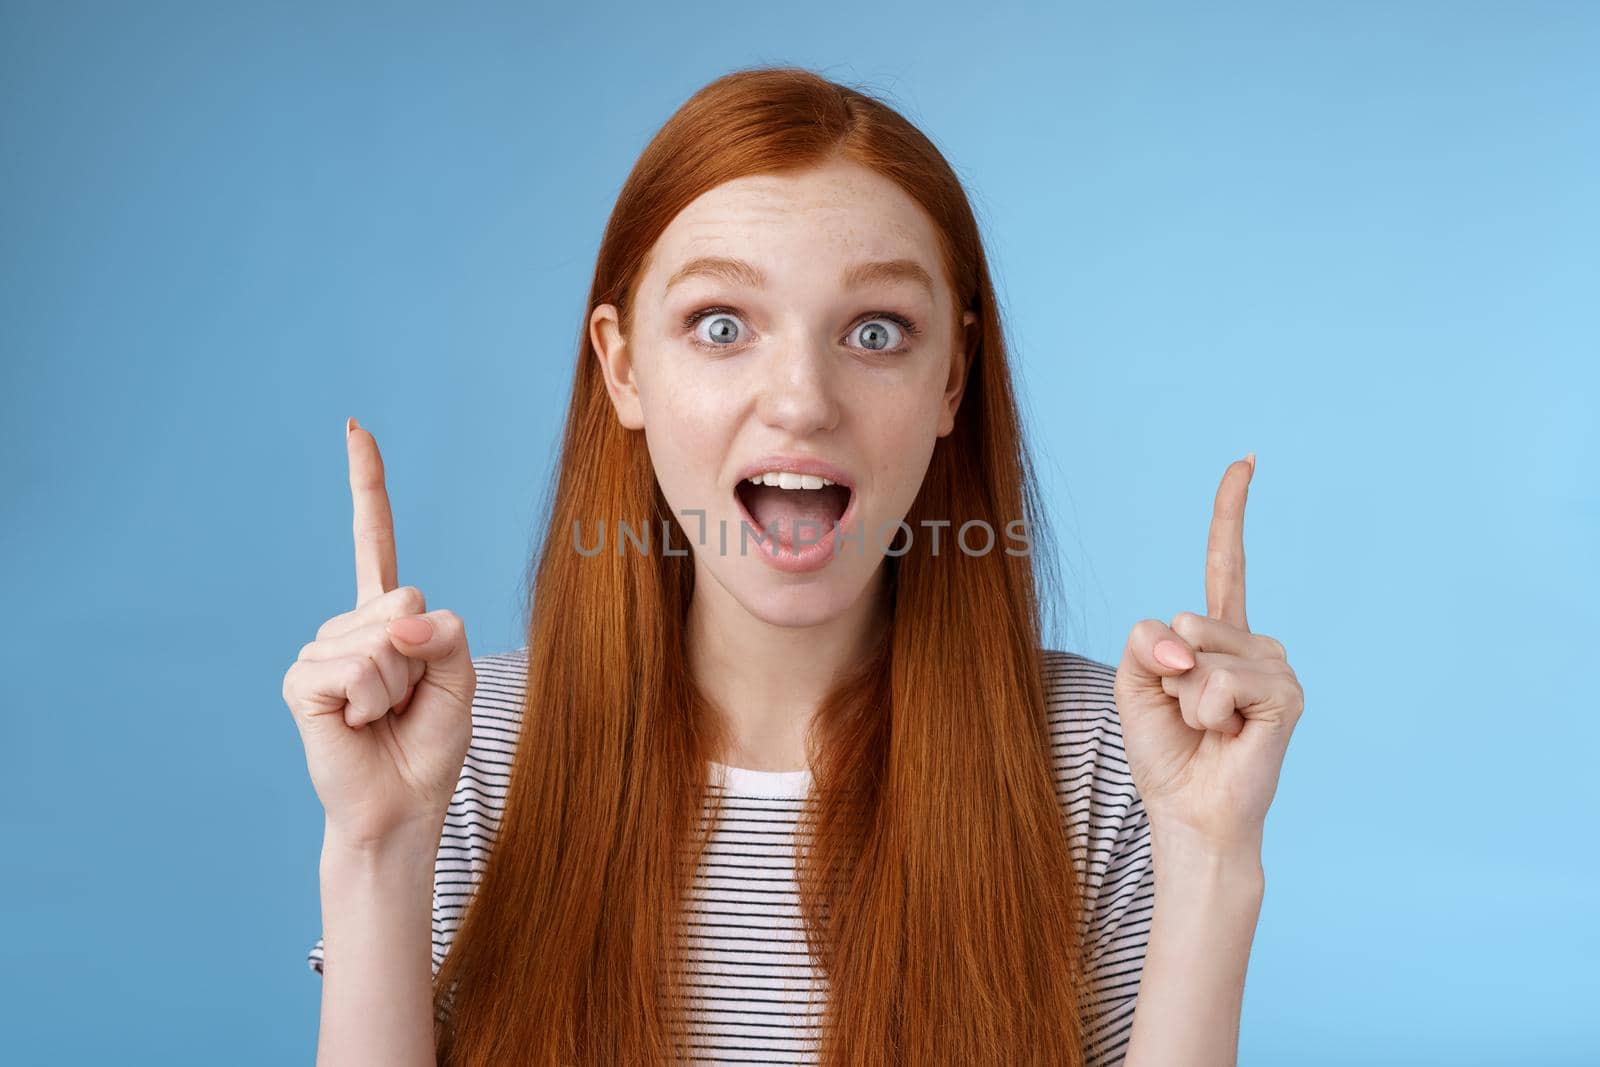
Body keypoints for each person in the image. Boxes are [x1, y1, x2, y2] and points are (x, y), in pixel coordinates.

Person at [283, 66, 1305, 1067]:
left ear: (951, 377)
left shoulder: (1106, 757)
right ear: (624, 365)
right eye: (721, 325)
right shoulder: (463, 756)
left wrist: (1212, 857)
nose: (801, 398)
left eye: (875, 331)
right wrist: (377, 848)